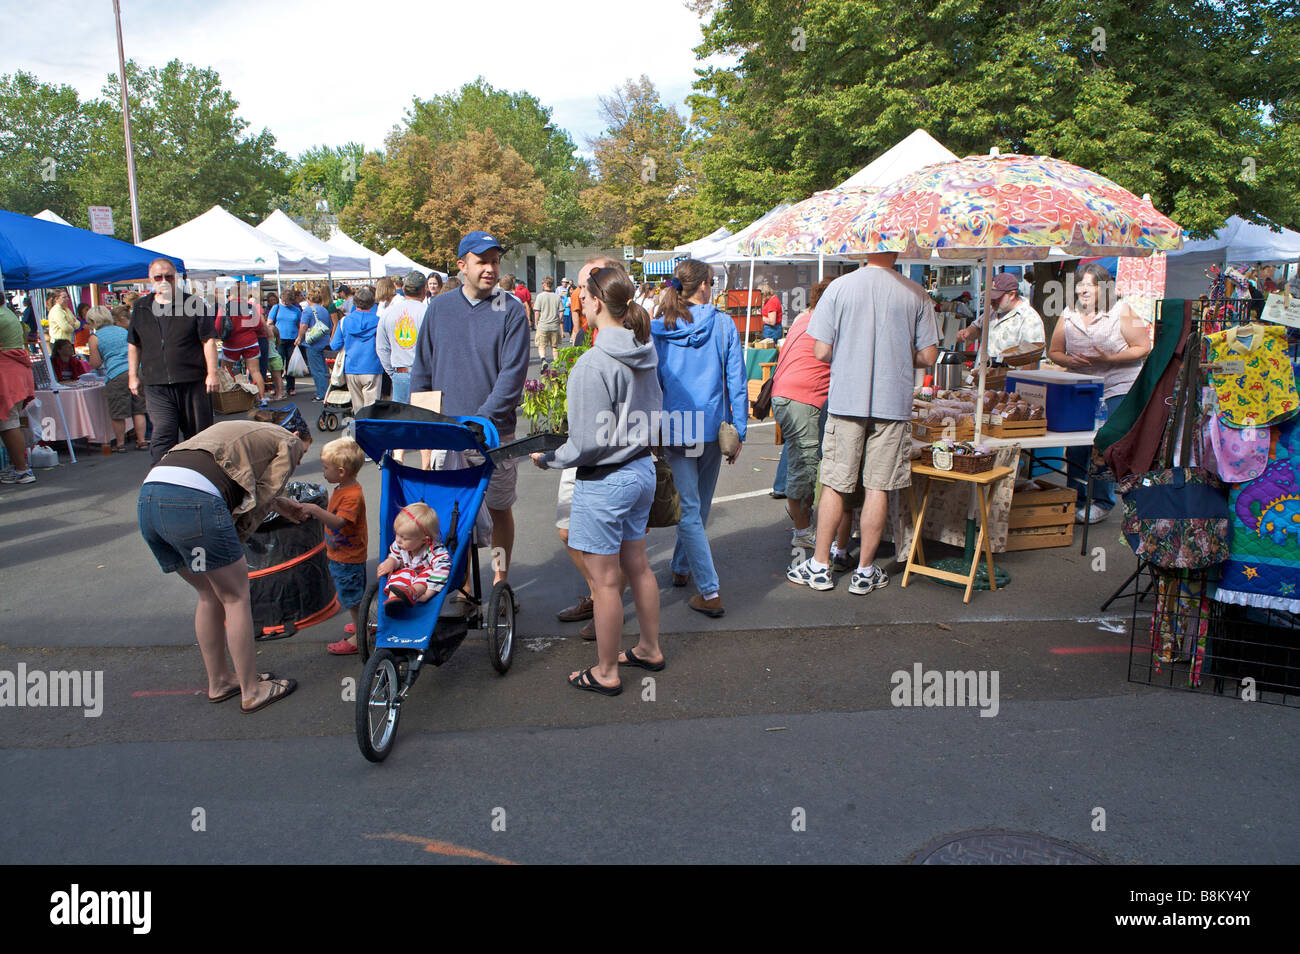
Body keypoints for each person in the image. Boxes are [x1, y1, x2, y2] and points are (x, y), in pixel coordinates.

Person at [531, 265, 664, 695]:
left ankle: (606, 671)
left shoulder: (592, 364)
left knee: (605, 582)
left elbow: (585, 444)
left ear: (595, 301)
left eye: (583, 297)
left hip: (606, 479)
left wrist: (550, 458)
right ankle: (648, 647)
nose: (580, 303)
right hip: (642, 469)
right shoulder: (646, 350)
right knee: (638, 567)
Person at [136, 409, 313, 713]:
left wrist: (280, 505)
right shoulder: (289, 438)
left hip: (151, 499)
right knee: (235, 596)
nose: (298, 461)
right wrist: (237, 541)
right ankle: (252, 690)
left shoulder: (237, 430)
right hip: (194, 503)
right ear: (299, 436)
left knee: (209, 594)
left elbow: (241, 479)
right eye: (303, 456)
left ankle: (219, 680)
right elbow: (263, 495)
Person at [787, 252, 939, 594]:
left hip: (846, 400)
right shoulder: (916, 293)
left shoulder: (839, 288)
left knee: (835, 482)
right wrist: (897, 350)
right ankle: (865, 571)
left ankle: (821, 566)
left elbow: (822, 351)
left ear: (863, 250)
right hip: (893, 402)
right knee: (877, 487)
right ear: (896, 251)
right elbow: (929, 356)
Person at [411, 231, 530, 586]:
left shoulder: (510, 310)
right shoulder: (439, 308)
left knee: (498, 510)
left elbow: (512, 377)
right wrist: (423, 430)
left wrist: (481, 419)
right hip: (447, 433)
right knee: (452, 517)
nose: (491, 269)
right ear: (462, 266)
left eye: (495, 261)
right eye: (482, 261)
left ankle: (499, 577)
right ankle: (463, 586)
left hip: (494, 434)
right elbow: (423, 370)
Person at [651, 257, 747, 617]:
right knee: (696, 508)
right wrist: (739, 429)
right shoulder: (723, 325)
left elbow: (653, 384)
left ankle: (687, 572)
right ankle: (707, 589)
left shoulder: (659, 328)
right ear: (705, 284)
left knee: (693, 509)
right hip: (712, 428)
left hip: (677, 429)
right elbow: (735, 382)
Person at [553, 256, 626, 637]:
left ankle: (605, 609)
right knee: (575, 533)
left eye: (584, 288)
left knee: (606, 547)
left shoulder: (620, 335)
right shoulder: (595, 333)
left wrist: (553, 456)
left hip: (602, 459)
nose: (577, 296)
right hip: (615, 458)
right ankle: (601, 597)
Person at [1048, 262, 1151, 524]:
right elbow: (1055, 352)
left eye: (1088, 285)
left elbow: (1143, 347)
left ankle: (1102, 502)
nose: (1082, 290)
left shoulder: (1121, 310)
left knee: (1103, 443)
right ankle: (1075, 498)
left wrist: (1113, 358)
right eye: (1079, 285)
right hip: (1082, 387)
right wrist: (1070, 362)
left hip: (1117, 385)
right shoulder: (1068, 313)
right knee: (1077, 444)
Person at [128, 257, 220, 462]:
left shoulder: (193, 303)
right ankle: (160, 479)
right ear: (150, 280)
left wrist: (212, 373)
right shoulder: (141, 308)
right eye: (158, 277)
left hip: (193, 382)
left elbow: (209, 340)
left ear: (176, 278)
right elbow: (134, 344)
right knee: (163, 433)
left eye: (168, 276)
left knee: (199, 437)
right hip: (156, 384)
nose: (163, 280)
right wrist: (132, 376)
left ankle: (200, 477)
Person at [770, 278, 833, 548]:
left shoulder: (803, 319)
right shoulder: (830, 323)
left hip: (784, 394)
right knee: (805, 466)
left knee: (800, 458)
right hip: (802, 398)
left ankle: (802, 524)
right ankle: (803, 532)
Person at [296, 436, 368, 655]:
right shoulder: (343, 488)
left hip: (348, 556)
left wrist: (316, 511)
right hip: (341, 553)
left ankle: (359, 636)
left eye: (325, 468)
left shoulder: (352, 495)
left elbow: (339, 522)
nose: (323, 471)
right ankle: (362, 624)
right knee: (351, 594)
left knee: (352, 597)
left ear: (341, 471)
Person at [88, 305, 148, 452]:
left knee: (118, 412)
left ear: (92, 321)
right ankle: (141, 440)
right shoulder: (122, 330)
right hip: (136, 370)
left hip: (116, 374)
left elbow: (95, 364)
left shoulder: (94, 338)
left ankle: (120, 444)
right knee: (138, 409)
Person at [955, 272, 1045, 366]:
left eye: (996, 297)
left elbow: (1032, 359)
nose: (992, 301)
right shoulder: (992, 311)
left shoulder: (1029, 318)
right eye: (990, 297)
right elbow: (977, 327)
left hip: (1009, 377)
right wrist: (968, 332)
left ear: (1012, 295)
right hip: (983, 373)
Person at [375, 503, 451, 609]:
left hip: (423, 583)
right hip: (407, 577)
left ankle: (412, 592)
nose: (397, 540)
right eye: (397, 534)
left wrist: (428, 593)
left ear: (424, 540)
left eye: (404, 538)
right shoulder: (400, 545)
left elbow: (442, 568)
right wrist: (391, 561)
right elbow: (396, 556)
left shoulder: (434, 549)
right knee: (400, 574)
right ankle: (393, 600)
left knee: (428, 572)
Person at [375, 271, 429, 406]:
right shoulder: (428, 312)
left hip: (401, 372)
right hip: (423, 374)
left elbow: (382, 348)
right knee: (425, 419)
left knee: (402, 419)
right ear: (424, 290)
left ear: (403, 289)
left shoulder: (388, 313)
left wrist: (393, 372)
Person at [329, 285, 383, 414]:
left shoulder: (344, 321)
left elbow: (335, 345)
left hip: (351, 368)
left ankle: (358, 431)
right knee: (372, 409)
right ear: (371, 303)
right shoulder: (379, 321)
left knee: (358, 407)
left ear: (355, 302)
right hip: (372, 366)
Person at [0, 298, 36, 484]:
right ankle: (21, 469)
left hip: (6, 375)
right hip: (15, 372)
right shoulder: (8, 313)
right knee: (10, 422)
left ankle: (22, 470)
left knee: (8, 424)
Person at [218, 291, 265, 405]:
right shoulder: (250, 307)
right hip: (250, 341)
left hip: (231, 343)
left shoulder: (225, 307)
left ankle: (229, 399)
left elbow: (218, 325)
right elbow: (259, 325)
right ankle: (262, 398)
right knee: (255, 371)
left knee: (226, 372)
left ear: (230, 296)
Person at [299, 286, 334, 402]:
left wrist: (299, 337)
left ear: (309, 298)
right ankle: (326, 392)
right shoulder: (324, 310)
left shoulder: (308, 310)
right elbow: (330, 325)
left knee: (316, 369)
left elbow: (304, 325)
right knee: (324, 369)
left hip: (313, 343)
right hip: (324, 341)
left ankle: (321, 394)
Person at [269, 289, 303, 396]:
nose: (286, 303)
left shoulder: (296, 310)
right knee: (277, 364)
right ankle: (276, 387)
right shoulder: (276, 308)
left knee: (290, 364)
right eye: (285, 301)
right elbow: (269, 322)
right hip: (279, 340)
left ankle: (290, 387)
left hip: (292, 340)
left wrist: (299, 337)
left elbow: (299, 324)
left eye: (288, 301)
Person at [534, 276, 563, 368]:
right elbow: (561, 311)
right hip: (554, 325)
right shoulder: (557, 297)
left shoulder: (540, 296)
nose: (542, 285)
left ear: (545, 284)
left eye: (542, 283)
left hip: (543, 325)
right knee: (554, 346)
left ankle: (543, 360)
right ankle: (556, 364)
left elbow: (537, 311)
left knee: (541, 345)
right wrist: (559, 320)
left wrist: (536, 322)